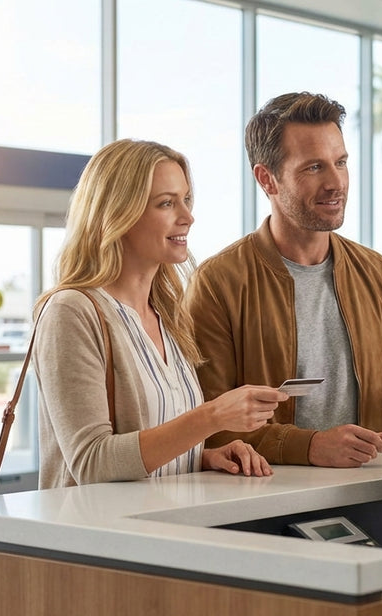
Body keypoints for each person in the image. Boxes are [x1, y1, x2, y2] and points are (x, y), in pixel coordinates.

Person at [184, 92, 382, 468]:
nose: (335, 182)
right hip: (262, 495)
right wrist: (308, 447)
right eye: (313, 168)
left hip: (366, 489)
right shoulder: (218, 282)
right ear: (267, 179)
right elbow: (208, 420)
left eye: (340, 162)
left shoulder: (376, 272)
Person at [33, 139, 289, 489]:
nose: (187, 217)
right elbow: (91, 463)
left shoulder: (167, 315)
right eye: (166, 203)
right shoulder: (71, 312)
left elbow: (150, 447)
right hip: (101, 539)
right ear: (118, 214)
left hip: (163, 529)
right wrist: (212, 417)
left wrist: (203, 456)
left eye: (185, 200)